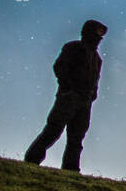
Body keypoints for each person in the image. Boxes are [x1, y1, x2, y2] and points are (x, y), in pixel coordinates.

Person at [25, 19, 108, 172]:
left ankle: (71, 169)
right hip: (69, 98)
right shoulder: (73, 48)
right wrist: (68, 88)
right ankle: (32, 159)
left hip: (85, 102)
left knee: (76, 138)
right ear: (87, 34)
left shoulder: (97, 59)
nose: (98, 40)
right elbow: (59, 67)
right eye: (96, 36)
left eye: (100, 38)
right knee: (53, 131)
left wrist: (92, 95)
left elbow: (96, 79)